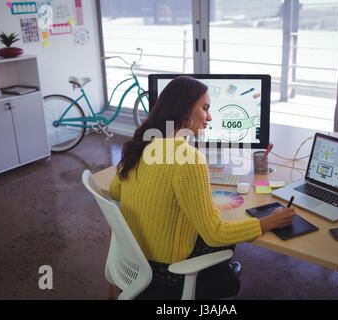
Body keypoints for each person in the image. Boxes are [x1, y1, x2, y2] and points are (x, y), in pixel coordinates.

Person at [109, 75, 295, 299]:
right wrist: (270, 221)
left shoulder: (141, 145)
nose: (209, 117)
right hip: (167, 273)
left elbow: (115, 191)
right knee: (226, 236)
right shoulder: (188, 159)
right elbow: (214, 234)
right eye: (204, 108)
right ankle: (220, 276)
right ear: (184, 110)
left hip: (133, 262)